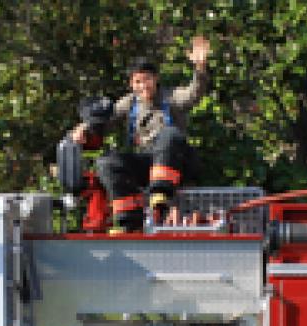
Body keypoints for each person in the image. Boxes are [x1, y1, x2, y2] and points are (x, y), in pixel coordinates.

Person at [69, 37, 210, 233]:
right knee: (107, 162)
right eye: (138, 81)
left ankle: (160, 194)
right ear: (132, 84)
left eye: (147, 80)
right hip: (148, 163)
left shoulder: (171, 97)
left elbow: (193, 94)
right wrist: (83, 128)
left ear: (156, 79)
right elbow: (104, 119)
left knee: (169, 134)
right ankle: (130, 220)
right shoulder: (129, 103)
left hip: (175, 163)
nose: (143, 86)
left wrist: (200, 68)